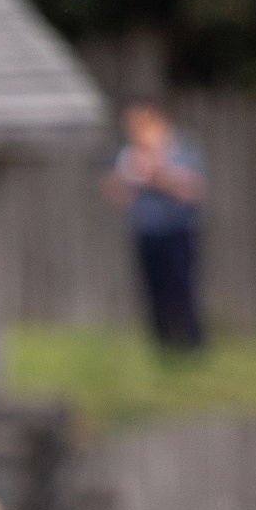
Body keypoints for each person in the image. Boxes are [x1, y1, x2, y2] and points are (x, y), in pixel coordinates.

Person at [103, 99, 206, 353]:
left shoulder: (180, 147)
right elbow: (113, 193)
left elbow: (191, 191)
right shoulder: (128, 153)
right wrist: (128, 175)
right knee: (153, 289)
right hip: (145, 229)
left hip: (177, 229)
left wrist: (156, 174)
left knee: (181, 287)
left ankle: (191, 343)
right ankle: (164, 345)